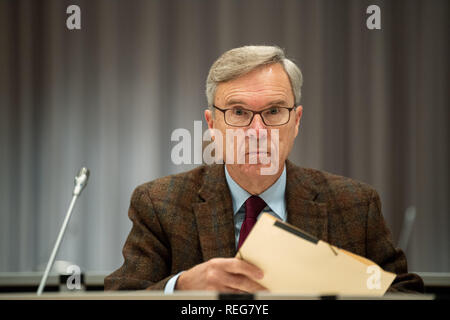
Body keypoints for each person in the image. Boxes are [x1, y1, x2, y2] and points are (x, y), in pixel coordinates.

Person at [104, 45, 423, 294]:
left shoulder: (355, 203)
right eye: (239, 112)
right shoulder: (159, 203)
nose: (257, 130)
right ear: (213, 125)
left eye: (273, 111)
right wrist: (182, 288)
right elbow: (122, 297)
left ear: (296, 121)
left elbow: (406, 293)